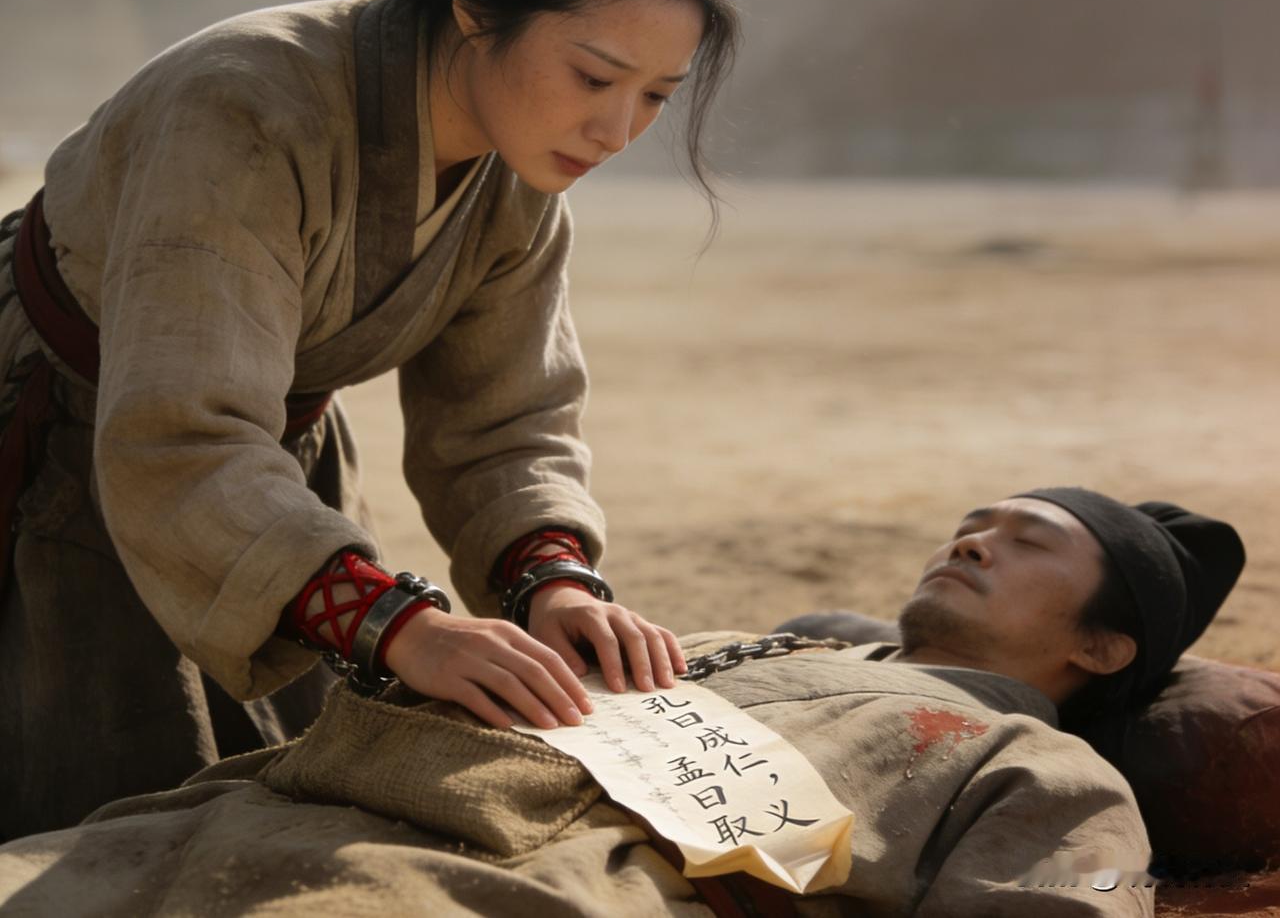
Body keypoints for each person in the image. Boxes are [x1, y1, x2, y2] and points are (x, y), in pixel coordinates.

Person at [0, 0, 740, 839]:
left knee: (295, 784)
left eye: (656, 95)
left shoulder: (519, 168)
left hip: (268, 469)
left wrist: (554, 585)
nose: (616, 129)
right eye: (593, 76)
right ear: (476, 12)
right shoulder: (242, 105)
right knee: (90, 811)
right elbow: (180, 428)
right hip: (61, 433)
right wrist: (399, 623)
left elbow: (503, 420)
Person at [0, 487, 1245, 916]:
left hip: (488, 889)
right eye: (973, 521)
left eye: (1027, 542)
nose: (971, 540)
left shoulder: (1031, 760)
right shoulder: (723, 646)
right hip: (260, 815)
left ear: (1102, 644)